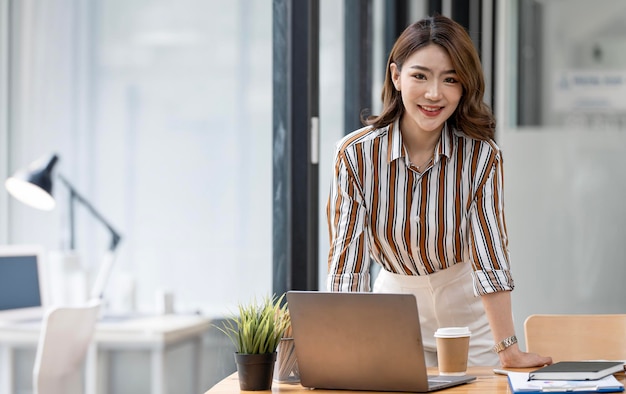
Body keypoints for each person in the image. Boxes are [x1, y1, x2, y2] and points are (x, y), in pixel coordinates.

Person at [326, 14, 552, 369]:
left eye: (451, 79)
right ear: (396, 76)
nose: (434, 93)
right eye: (420, 76)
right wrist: (343, 344)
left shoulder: (481, 156)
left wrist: (507, 348)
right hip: (391, 312)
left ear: (464, 88)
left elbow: (489, 255)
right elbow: (348, 264)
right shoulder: (355, 155)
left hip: (469, 319)